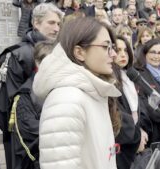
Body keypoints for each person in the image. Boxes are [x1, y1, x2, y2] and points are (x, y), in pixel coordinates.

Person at [33, 17, 121, 169]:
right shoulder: (66, 99)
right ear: (79, 52)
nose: (113, 54)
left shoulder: (91, 92)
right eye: (106, 47)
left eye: (113, 47)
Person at [0, 3, 63, 169]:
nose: (56, 28)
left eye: (59, 24)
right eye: (51, 23)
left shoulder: (60, 52)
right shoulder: (19, 54)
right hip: (25, 139)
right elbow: (7, 106)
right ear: (36, 23)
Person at [113, 36, 147, 169]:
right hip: (121, 146)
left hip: (134, 139)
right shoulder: (110, 80)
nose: (122, 54)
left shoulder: (129, 76)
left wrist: (140, 130)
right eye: (118, 50)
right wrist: (136, 138)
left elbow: (137, 109)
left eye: (126, 50)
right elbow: (118, 114)